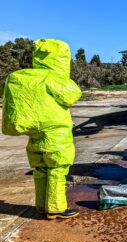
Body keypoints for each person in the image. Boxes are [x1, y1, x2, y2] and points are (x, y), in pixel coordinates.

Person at [1, 39, 82, 219]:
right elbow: (73, 94)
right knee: (57, 169)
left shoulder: (20, 77)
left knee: (40, 170)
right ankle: (56, 208)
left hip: (34, 134)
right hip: (55, 134)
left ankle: (41, 206)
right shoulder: (52, 78)